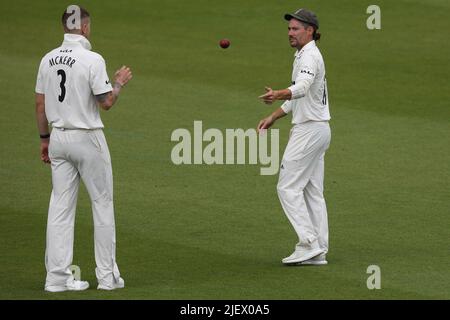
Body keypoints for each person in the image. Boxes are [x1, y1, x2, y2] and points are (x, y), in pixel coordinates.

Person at [35, 5, 132, 291]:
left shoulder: (48, 59)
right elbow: (107, 102)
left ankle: (57, 279)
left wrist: (44, 139)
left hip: (58, 139)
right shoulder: (92, 59)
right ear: (86, 28)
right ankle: (106, 278)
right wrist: (119, 83)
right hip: (87, 138)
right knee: (102, 204)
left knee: (60, 208)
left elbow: (40, 104)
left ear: (65, 27)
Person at [257, 8, 331, 265]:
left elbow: (302, 88)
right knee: (311, 191)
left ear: (310, 31)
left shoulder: (309, 57)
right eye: (289, 29)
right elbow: (300, 97)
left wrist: (277, 93)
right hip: (319, 129)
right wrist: (274, 115)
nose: (290, 32)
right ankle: (319, 250)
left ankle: (308, 243)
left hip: (309, 131)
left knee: (287, 187)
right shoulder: (303, 54)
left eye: (295, 28)